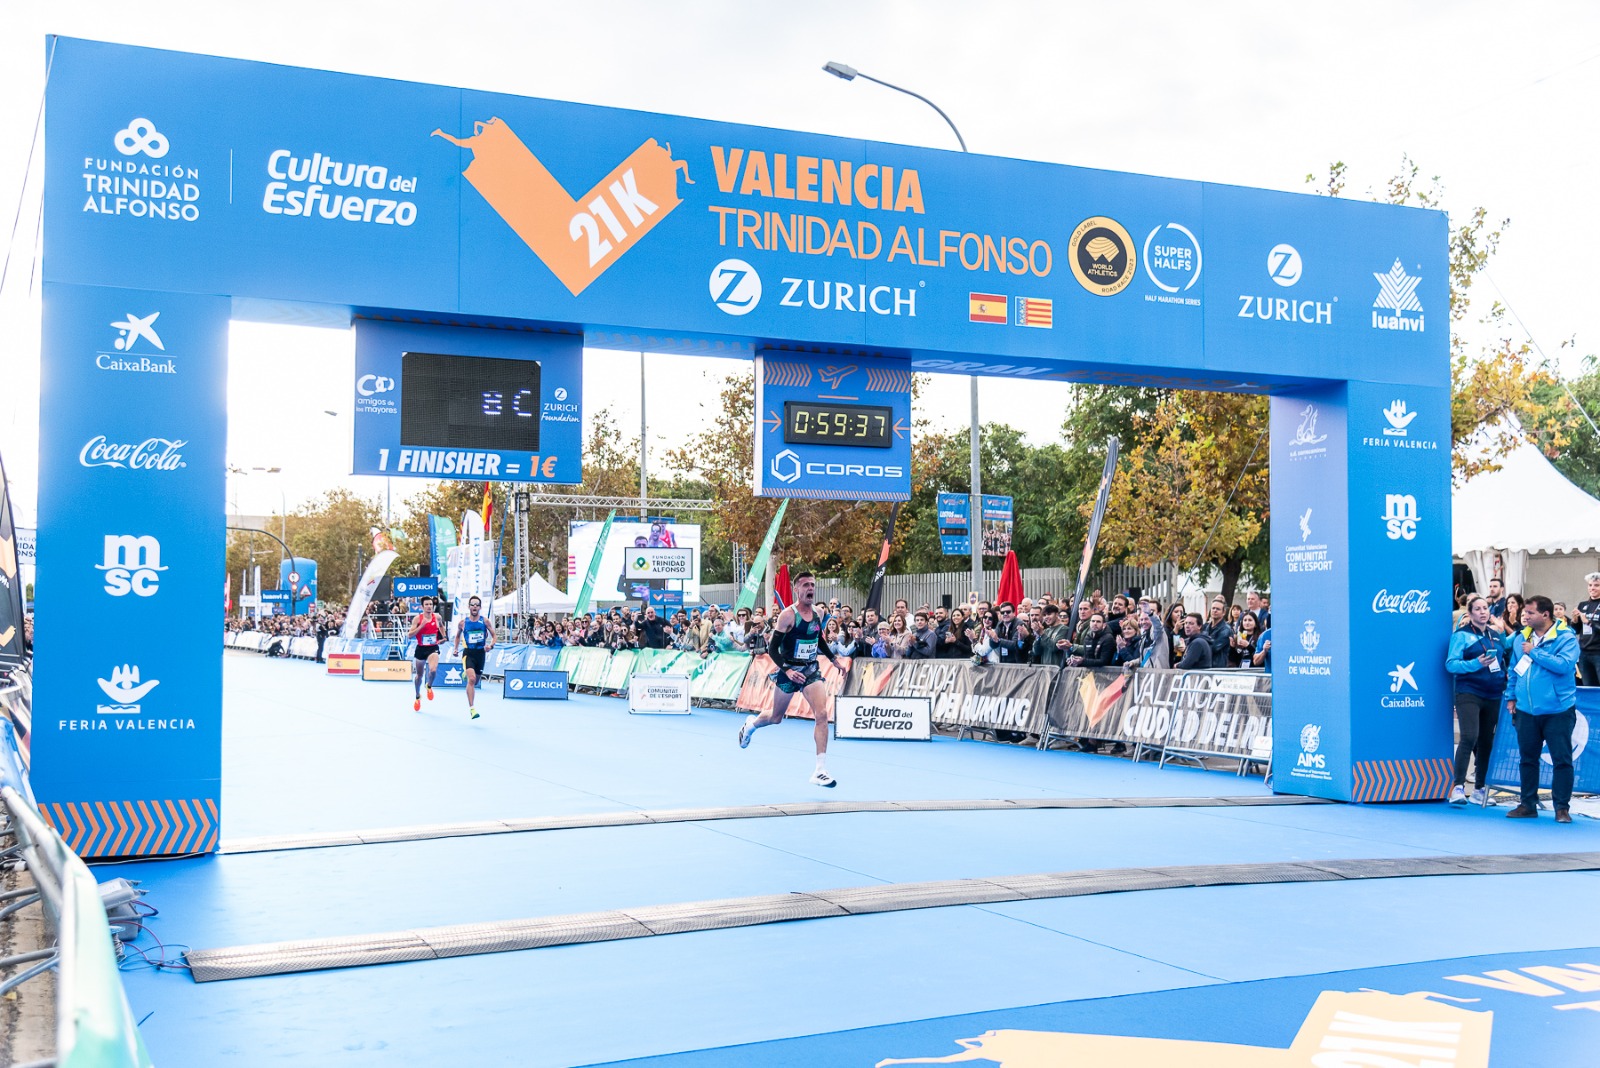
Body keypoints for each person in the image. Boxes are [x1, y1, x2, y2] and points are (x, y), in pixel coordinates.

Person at [738, 572, 842, 787]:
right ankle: (752, 724)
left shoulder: (819, 613)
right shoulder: (787, 615)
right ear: (797, 589)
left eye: (812, 584)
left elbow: (818, 639)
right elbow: (772, 648)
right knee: (776, 717)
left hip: (811, 671)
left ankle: (820, 769)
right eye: (805, 585)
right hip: (788, 670)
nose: (810, 588)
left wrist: (833, 659)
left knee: (822, 715)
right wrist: (786, 670)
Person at [1505, 595, 1581, 822]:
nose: (1524, 616)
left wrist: (1535, 652)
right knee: (1527, 759)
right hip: (1526, 710)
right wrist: (1511, 696)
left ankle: (1561, 808)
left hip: (1558, 710)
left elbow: (1564, 665)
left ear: (1545, 615)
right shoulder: (1521, 638)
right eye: (1524, 612)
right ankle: (1527, 804)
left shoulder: (1566, 637)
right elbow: (1514, 669)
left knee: (1562, 759)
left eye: (1529, 613)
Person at [1446, 595, 1513, 805]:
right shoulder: (1461, 636)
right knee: (1469, 737)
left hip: (1493, 693)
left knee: (1486, 742)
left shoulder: (1495, 635)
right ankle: (1457, 788)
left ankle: (1479, 789)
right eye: (1478, 609)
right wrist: (1476, 663)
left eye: (1485, 608)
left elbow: (1505, 654)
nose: (1483, 612)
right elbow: (1451, 664)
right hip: (1469, 693)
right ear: (1470, 613)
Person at [451, 595, 495, 720]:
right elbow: (457, 636)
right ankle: (472, 709)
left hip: (480, 654)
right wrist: (455, 648)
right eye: (472, 604)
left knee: (475, 681)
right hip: (468, 653)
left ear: (480, 607)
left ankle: (467, 674)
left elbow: (494, 635)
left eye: (477, 604)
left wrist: (490, 646)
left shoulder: (485, 621)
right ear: (469, 607)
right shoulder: (463, 623)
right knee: (471, 679)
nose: (474, 606)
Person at [408, 596, 445, 712]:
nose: (429, 607)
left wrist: (443, 637)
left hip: (433, 647)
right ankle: (417, 695)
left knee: (433, 670)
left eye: (430, 604)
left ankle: (429, 685)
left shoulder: (437, 617)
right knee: (419, 676)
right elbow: (410, 635)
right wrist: (422, 626)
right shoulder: (417, 619)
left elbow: (442, 626)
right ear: (422, 607)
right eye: (426, 605)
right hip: (421, 649)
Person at [1579, 573, 1600, 687]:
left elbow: (1589, 624)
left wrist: (1589, 622)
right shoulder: (1583, 605)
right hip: (1584, 653)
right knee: (1588, 687)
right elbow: (1577, 630)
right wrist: (1575, 621)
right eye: (1590, 585)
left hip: (1598, 652)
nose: (1592, 588)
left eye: (1596, 585)